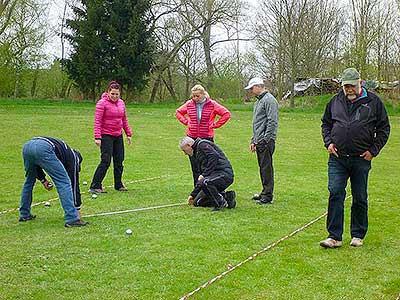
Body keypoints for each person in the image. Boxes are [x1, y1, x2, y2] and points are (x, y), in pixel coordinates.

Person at [320, 68, 390, 248]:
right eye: (346, 86)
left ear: (360, 82)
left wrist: (373, 151)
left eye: (352, 85)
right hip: (337, 158)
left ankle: (358, 234)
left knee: (359, 196)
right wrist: (328, 142)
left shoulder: (374, 102)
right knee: (335, 192)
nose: (349, 89)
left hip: (361, 158)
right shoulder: (334, 101)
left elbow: (384, 129)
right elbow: (326, 124)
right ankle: (334, 237)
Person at [19, 137, 88, 227]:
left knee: (29, 181)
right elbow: (74, 183)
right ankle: (72, 218)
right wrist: (77, 208)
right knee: (64, 182)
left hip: (27, 146)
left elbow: (37, 163)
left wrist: (43, 180)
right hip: (44, 147)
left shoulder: (64, 153)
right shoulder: (74, 158)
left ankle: (24, 214)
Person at [176, 84, 231, 186]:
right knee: (195, 164)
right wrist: (187, 122)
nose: (195, 98)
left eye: (197, 96)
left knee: (209, 163)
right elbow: (178, 112)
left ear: (203, 94)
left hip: (206, 138)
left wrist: (215, 125)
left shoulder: (212, 104)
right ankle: (197, 188)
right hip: (192, 138)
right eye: (193, 96)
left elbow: (226, 114)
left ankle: (209, 185)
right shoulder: (189, 104)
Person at [89, 81, 132, 193]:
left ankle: (118, 184)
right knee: (106, 161)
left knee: (119, 161)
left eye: (117, 94)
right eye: (112, 93)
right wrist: (97, 137)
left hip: (118, 135)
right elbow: (97, 121)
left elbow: (124, 119)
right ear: (108, 92)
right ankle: (95, 185)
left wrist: (128, 134)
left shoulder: (121, 103)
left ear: (120, 94)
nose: (114, 96)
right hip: (106, 135)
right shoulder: (102, 103)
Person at [244, 77, 279, 205]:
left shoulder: (269, 100)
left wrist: (265, 138)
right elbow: (257, 123)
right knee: (262, 168)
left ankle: (267, 196)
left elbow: (272, 121)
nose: (251, 91)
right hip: (259, 140)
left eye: (252, 88)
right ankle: (264, 192)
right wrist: (254, 140)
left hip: (266, 141)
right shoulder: (259, 101)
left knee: (266, 168)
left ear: (259, 86)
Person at [179, 137, 236, 211]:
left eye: (184, 150)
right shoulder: (196, 154)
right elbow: (200, 178)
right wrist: (192, 195)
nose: (185, 153)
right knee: (198, 202)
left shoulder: (202, 145)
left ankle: (219, 203)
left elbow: (214, 156)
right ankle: (227, 196)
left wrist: (204, 174)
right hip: (213, 178)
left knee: (206, 182)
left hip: (224, 174)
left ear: (188, 145)